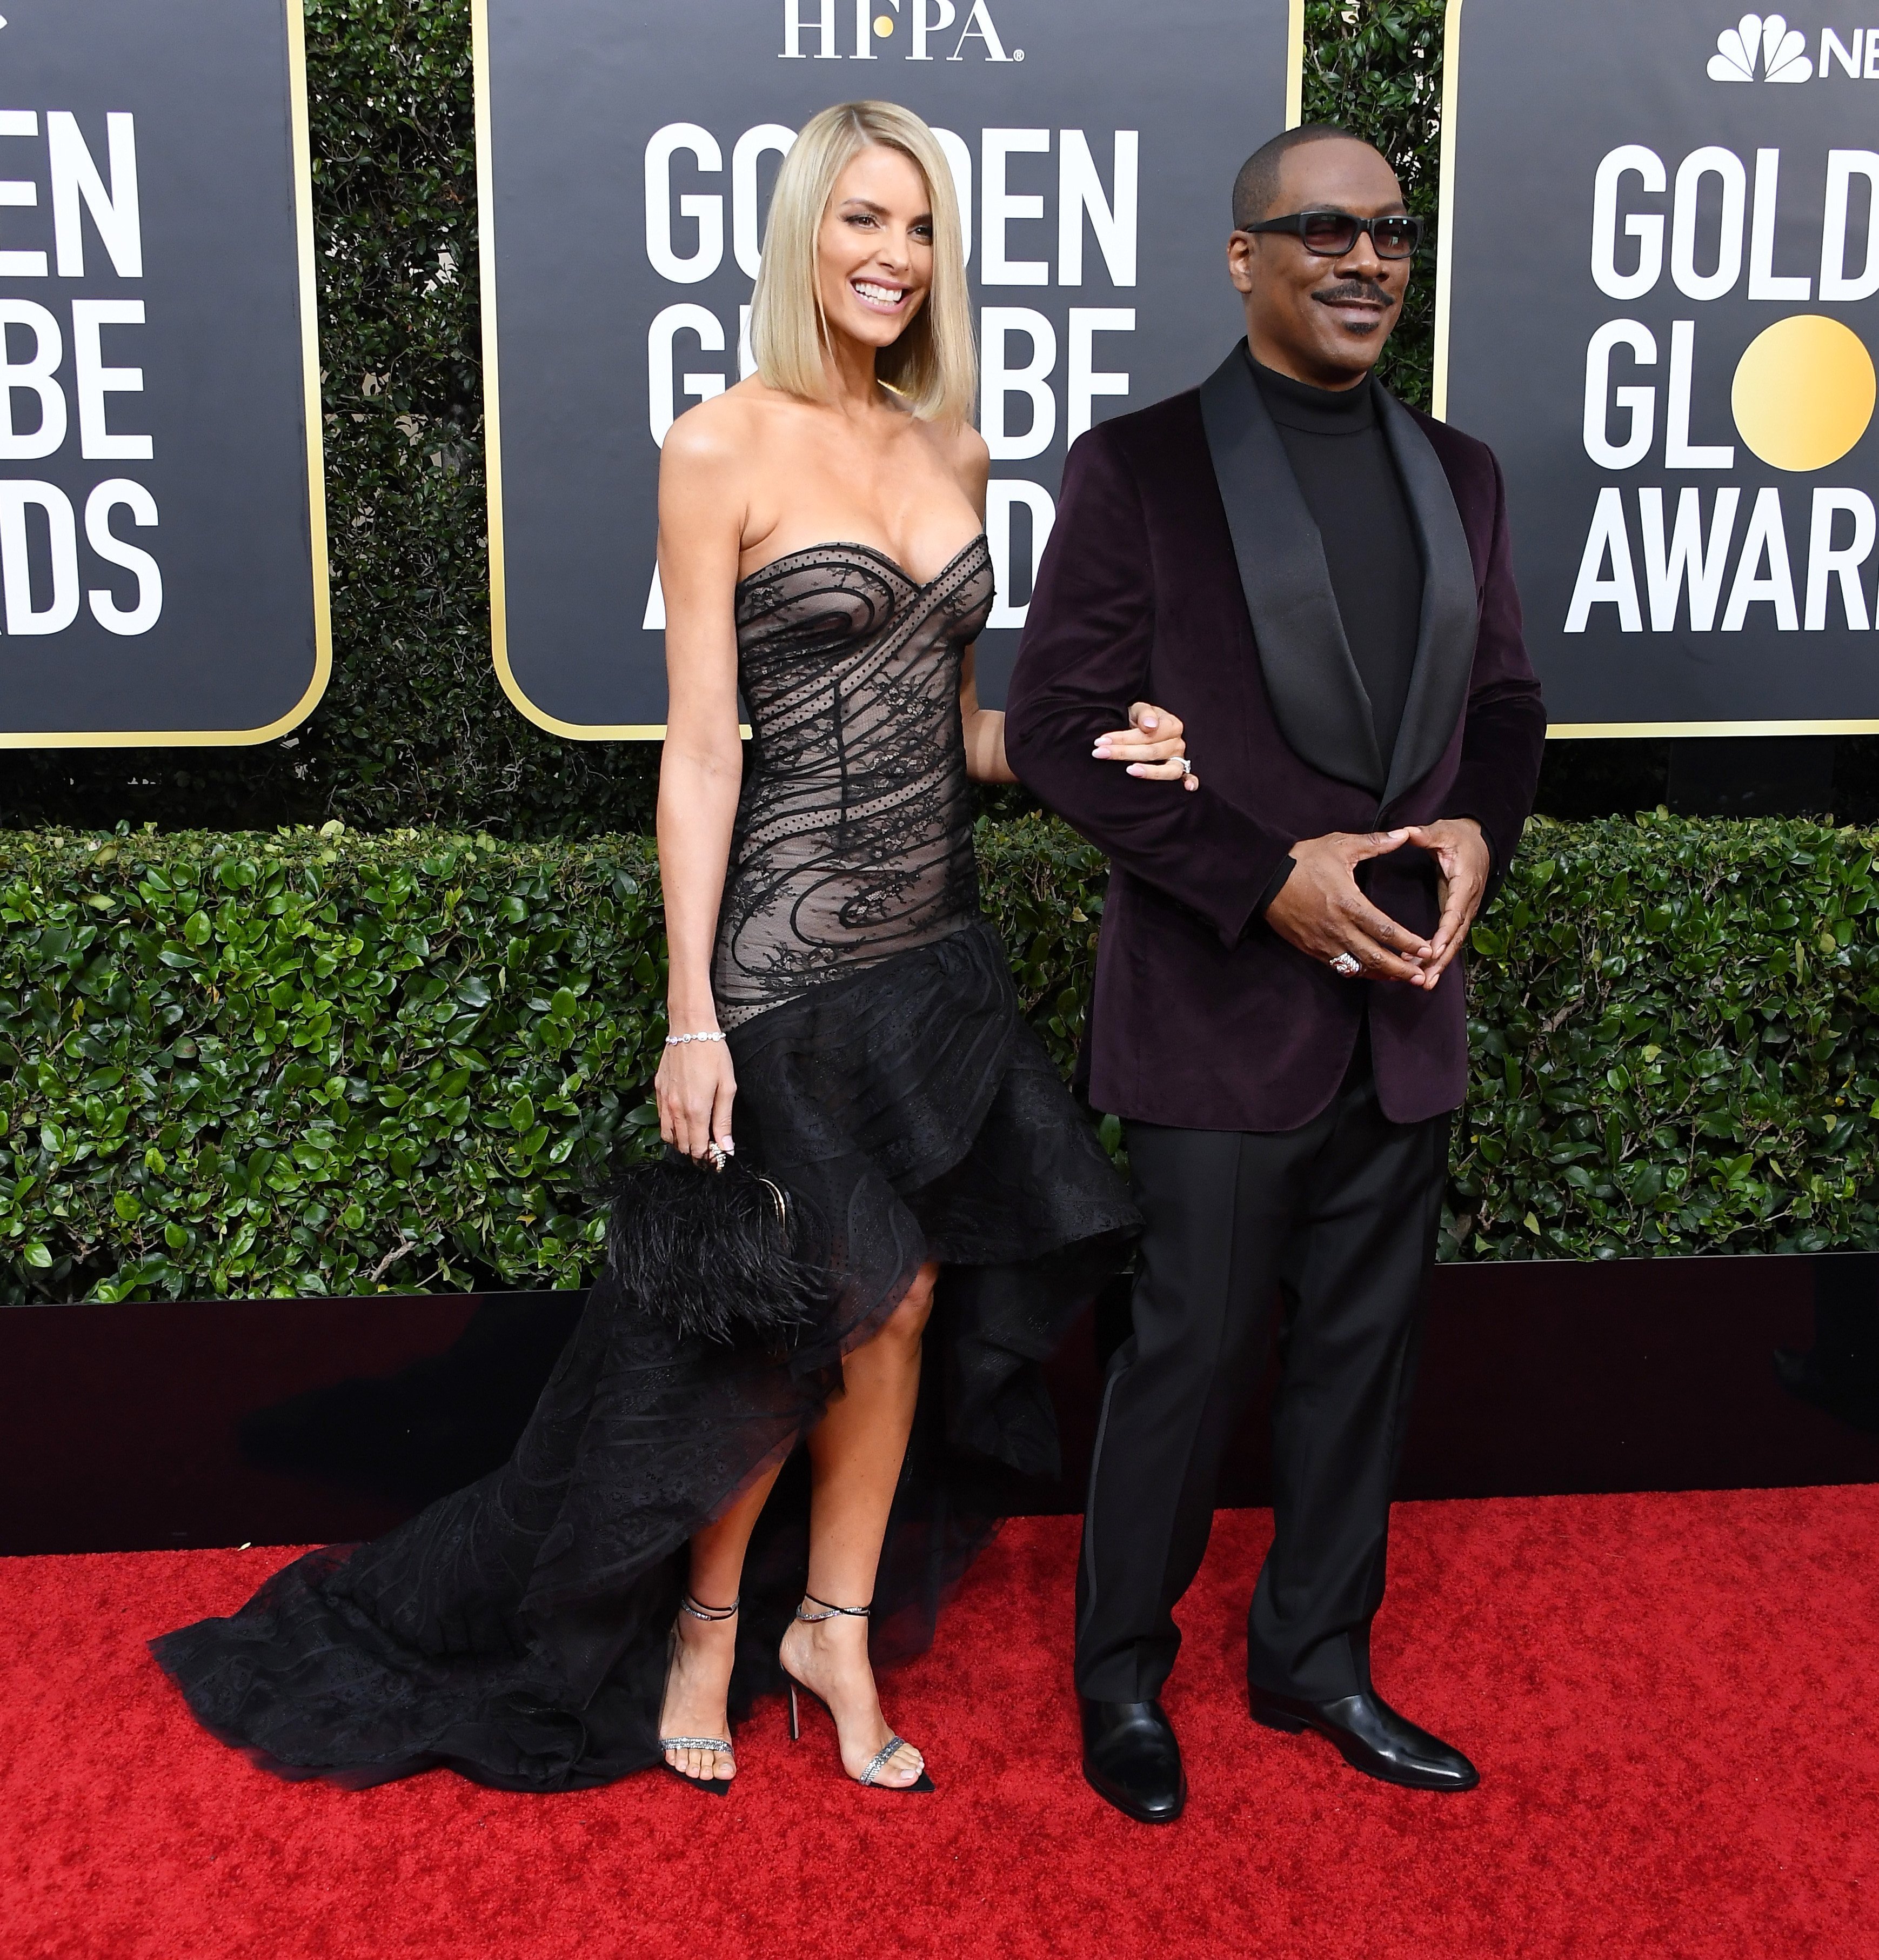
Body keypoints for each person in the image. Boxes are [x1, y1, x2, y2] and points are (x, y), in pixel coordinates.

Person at [151, 99, 1174, 1798]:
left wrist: (1088, 745)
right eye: (862, 221)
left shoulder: (956, 447)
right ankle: (710, 1617)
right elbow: (705, 746)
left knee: (910, 1302)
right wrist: (691, 1011)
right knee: (812, 1309)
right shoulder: (720, 444)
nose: (892, 259)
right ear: (803, 235)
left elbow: (959, 729)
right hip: (781, 970)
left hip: (938, 959)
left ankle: (828, 1626)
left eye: (919, 229)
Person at [1004, 124, 1548, 1824]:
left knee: (1360, 1358)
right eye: (1322, 230)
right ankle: (1122, 1678)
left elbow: (1511, 707)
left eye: (1389, 231)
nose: (1366, 258)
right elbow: (1056, 729)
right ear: (1243, 258)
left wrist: (1475, 830)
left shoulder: (1460, 474)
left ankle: (1318, 1658)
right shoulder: (1142, 467)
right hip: (1215, 1016)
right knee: (1187, 1355)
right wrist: (1265, 881)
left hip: (1405, 1012)